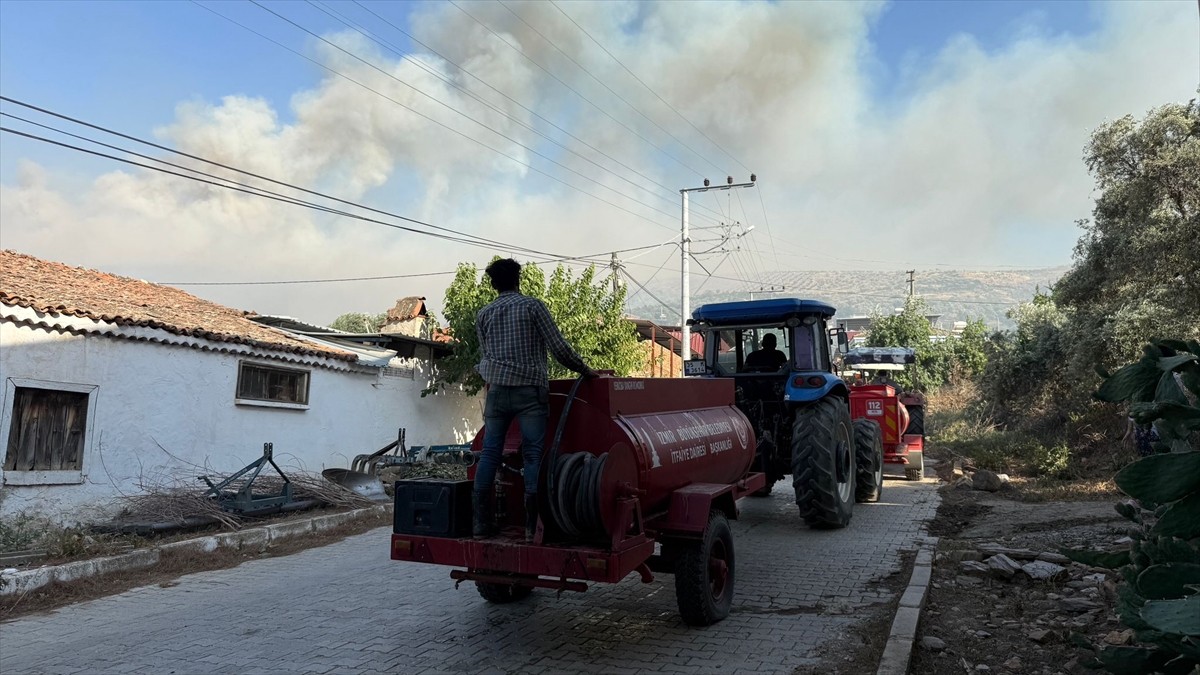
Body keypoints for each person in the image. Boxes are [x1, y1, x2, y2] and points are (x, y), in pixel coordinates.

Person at [473, 258, 596, 541]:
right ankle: (531, 528)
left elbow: (485, 354)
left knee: (490, 453)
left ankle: (480, 524)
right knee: (532, 455)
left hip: (496, 392)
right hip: (529, 391)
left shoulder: (484, 313)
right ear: (518, 280)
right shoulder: (532, 306)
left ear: (494, 284)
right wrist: (585, 370)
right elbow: (558, 348)